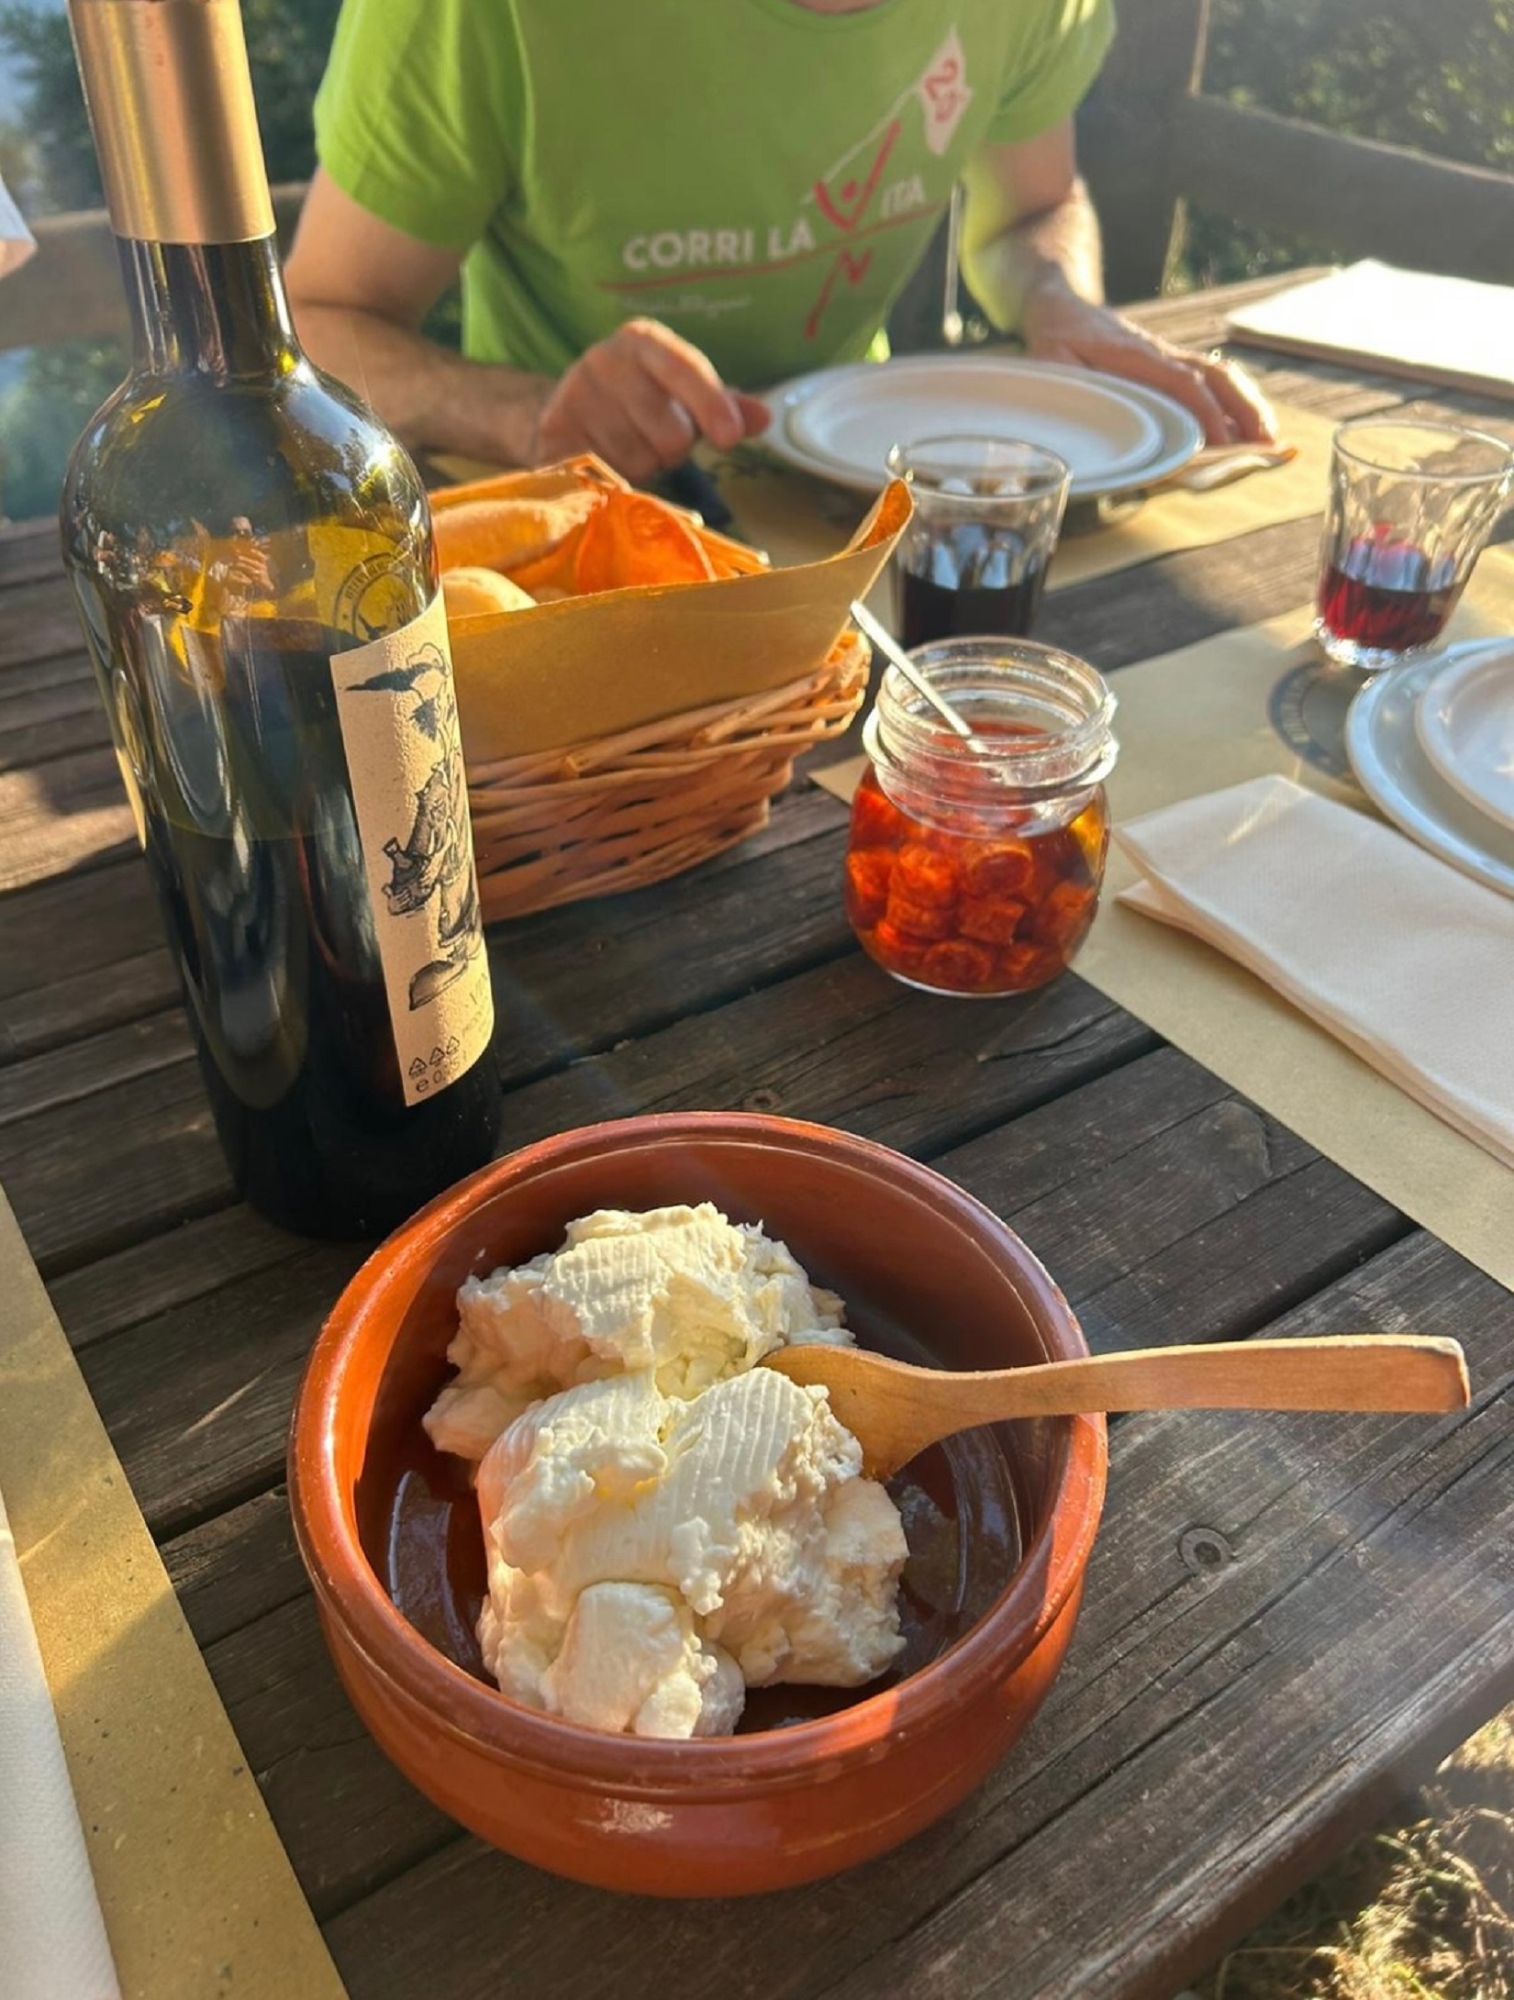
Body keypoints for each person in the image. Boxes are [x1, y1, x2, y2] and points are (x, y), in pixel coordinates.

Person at [286, 0, 1275, 488]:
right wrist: (525, 412)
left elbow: (1026, 216)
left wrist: (1061, 303)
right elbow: (319, 323)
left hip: (870, 493)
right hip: (572, 514)